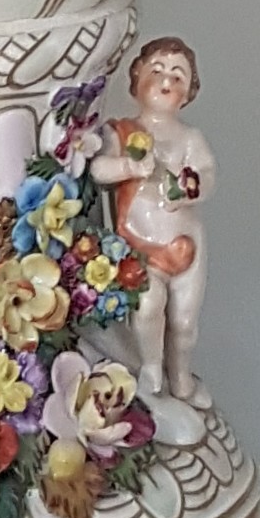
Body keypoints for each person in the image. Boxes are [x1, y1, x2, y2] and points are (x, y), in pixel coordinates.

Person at [94, 37, 214, 407]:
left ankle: (181, 377)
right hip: (140, 244)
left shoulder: (189, 137)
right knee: (148, 306)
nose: (166, 81)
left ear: (188, 92)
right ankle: (150, 367)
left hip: (187, 243)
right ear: (137, 76)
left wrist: (190, 188)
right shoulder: (122, 131)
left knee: (184, 323)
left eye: (178, 76)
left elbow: (207, 174)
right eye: (157, 71)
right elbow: (99, 169)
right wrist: (129, 166)